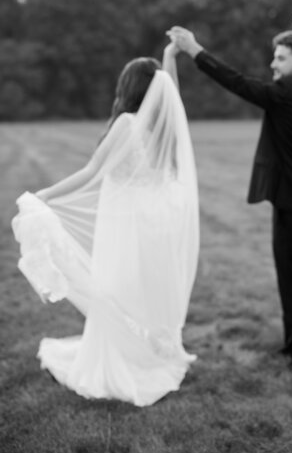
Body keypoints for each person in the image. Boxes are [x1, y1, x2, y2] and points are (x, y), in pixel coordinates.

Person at [12, 43, 199, 405]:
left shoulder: (127, 124)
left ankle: (119, 363)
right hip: (153, 224)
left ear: (127, 88)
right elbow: (171, 95)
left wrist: (45, 195)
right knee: (141, 290)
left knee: (115, 289)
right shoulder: (164, 131)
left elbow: (91, 171)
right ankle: (147, 354)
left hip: (126, 225)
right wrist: (169, 57)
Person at [167, 26, 292, 372]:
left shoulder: (288, 95)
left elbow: (238, 82)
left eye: (281, 58)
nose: (273, 64)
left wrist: (195, 50)